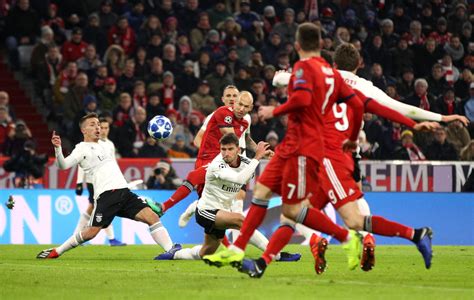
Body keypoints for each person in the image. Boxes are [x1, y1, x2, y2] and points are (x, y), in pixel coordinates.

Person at [203, 23, 365, 276]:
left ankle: (346, 238)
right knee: (261, 192)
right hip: (291, 146)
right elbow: (356, 105)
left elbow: (301, 99)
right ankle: (237, 249)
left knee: (292, 210)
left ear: (298, 46)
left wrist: (273, 110)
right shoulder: (329, 74)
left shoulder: (305, 68)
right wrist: (354, 138)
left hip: (303, 148)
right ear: (321, 45)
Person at [37, 113, 178, 259]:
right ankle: (57, 251)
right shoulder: (81, 148)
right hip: (107, 194)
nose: (97, 127)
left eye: (98, 124)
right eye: (92, 125)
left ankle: (170, 251)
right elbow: (63, 165)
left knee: (152, 217)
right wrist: (58, 149)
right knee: (91, 232)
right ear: (83, 130)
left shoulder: (106, 145)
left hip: (124, 192)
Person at [155, 133, 295, 262]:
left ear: (238, 150)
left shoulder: (246, 162)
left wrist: (270, 157)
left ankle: (175, 253)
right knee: (241, 220)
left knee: (206, 252)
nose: (226, 153)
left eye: (230, 149)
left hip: (222, 211)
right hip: (206, 211)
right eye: (223, 149)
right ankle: (276, 254)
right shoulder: (216, 165)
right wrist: (257, 157)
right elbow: (239, 180)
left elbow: (251, 172)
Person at [74, 118, 126, 246]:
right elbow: (81, 163)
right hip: (93, 181)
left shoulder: (109, 144)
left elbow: (113, 163)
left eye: (106, 128)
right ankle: (111, 238)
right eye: (101, 127)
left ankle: (77, 235)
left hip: (107, 181)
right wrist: (79, 182)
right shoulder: (90, 144)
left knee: (95, 207)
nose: (103, 130)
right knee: (99, 206)